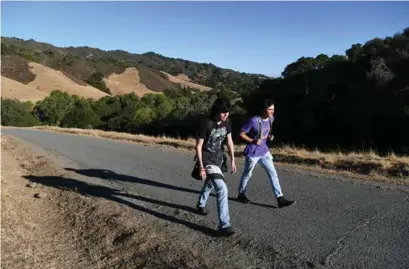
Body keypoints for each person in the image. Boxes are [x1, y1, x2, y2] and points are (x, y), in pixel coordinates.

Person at [237, 99, 295, 208]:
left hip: (264, 151)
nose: (273, 111)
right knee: (247, 174)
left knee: (273, 173)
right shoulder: (253, 120)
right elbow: (242, 134)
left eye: (273, 109)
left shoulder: (271, 119)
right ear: (264, 110)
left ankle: (280, 199)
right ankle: (241, 194)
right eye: (270, 109)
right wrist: (252, 141)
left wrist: (269, 136)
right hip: (253, 152)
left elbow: (266, 131)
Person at [195, 97, 237, 237]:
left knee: (210, 183)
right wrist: (201, 166)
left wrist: (233, 160)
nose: (226, 115)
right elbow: (199, 146)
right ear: (217, 111)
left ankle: (201, 204)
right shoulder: (206, 124)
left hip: (219, 158)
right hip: (207, 159)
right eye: (223, 112)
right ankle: (224, 225)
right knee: (222, 187)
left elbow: (230, 142)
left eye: (228, 112)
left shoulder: (228, 123)